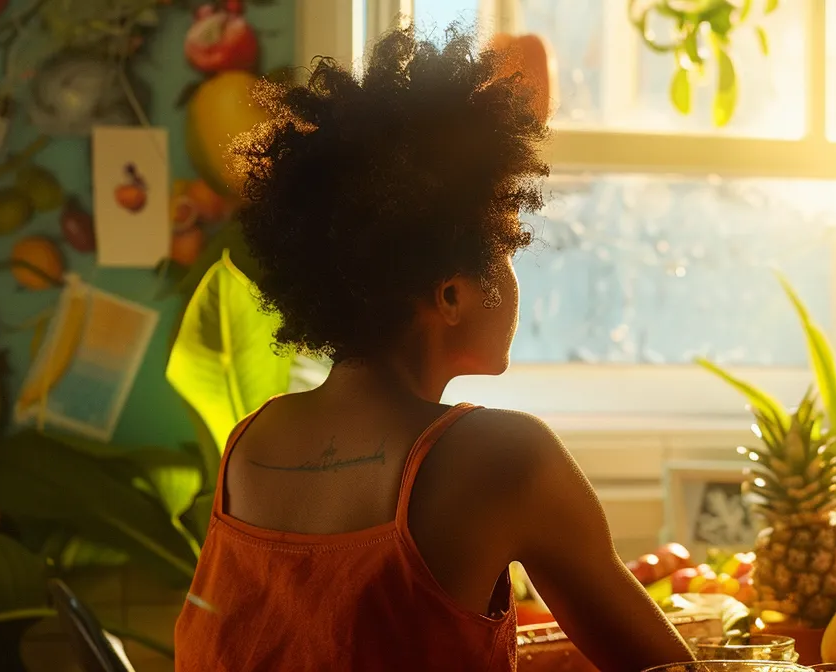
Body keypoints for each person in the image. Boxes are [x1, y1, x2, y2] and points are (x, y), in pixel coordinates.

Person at [172, 24, 696, 671]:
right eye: (502, 249)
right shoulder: (506, 458)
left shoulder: (250, 446)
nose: (511, 273)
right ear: (450, 296)